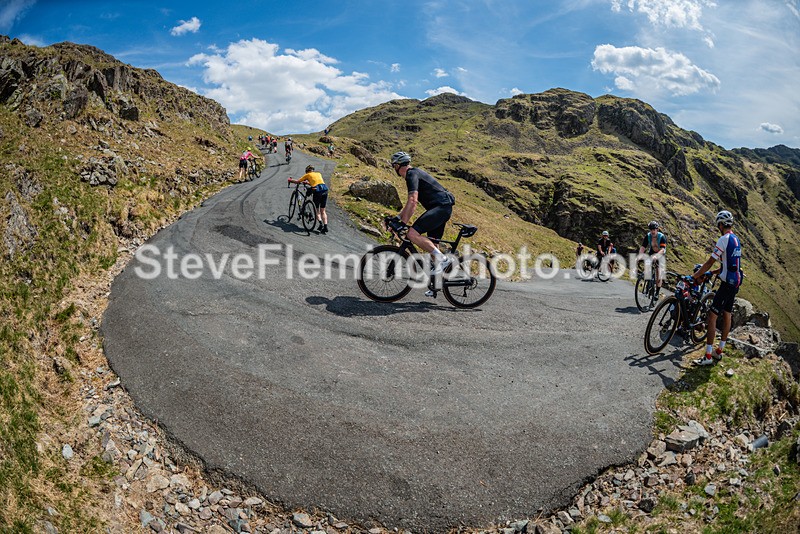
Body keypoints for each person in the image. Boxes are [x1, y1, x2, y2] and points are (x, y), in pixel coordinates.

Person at [391, 151, 456, 287]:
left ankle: (444, 260)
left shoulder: (411, 174)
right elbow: (409, 204)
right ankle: (435, 285)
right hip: (442, 208)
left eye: (393, 166)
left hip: (441, 207)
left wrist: (403, 224)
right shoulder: (414, 173)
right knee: (433, 245)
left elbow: (413, 201)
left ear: (397, 165)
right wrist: (398, 218)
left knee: (412, 233)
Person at [692, 210, 743, 366]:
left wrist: (695, 276)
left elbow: (709, 262)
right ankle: (719, 351)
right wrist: (713, 273)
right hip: (735, 283)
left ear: (721, 224)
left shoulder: (723, 239)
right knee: (727, 314)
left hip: (726, 284)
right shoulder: (736, 239)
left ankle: (707, 357)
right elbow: (728, 265)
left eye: (718, 225)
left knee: (712, 317)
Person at [288, 165, 329, 233]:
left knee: (317, 210)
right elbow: (317, 183)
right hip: (325, 190)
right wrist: (308, 182)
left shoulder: (307, 175)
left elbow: (298, 181)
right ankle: (325, 226)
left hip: (317, 191)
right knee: (323, 211)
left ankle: (320, 223)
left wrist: (290, 180)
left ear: (307, 171)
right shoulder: (318, 173)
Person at [639, 221, 667, 295]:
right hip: (652, 252)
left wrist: (656, 256)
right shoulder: (648, 236)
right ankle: (648, 284)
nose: (652, 231)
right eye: (651, 230)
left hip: (660, 254)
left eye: (654, 229)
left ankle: (657, 293)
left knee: (658, 274)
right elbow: (643, 247)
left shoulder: (662, 237)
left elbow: (663, 249)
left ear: (657, 230)